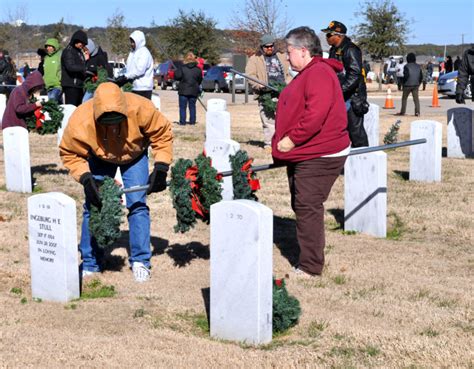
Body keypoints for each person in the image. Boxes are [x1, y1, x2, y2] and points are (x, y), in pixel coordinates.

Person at [59, 82, 173, 282]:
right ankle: (91, 262)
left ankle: (140, 261)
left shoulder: (140, 107)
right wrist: (86, 178)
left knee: (137, 204)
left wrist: (161, 166)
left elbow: (162, 133)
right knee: (93, 207)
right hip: (100, 158)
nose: (111, 126)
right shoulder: (81, 119)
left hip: (135, 156)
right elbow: (70, 152)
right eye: (106, 121)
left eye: (116, 120)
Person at [272, 26, 350, 278]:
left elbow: (315, 114)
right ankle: (309, 258)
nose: (286, 56)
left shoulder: (318, 74)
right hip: (306, 151)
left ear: (303, 51)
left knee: (307, 205)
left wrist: (292, 140)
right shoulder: (310, 72)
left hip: (319, 152)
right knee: (302, 203)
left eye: (289, 51)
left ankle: (310, 266)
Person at [322, 20, 369, 147]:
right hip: (340, 96)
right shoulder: (333, 50)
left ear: (338, 35)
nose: (326, 37)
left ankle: (364, 159)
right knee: (340, 132)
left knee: (356, 133)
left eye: (328, 35)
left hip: (352, 98)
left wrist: (339, 90)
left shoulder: (351, 50)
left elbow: (355, 75)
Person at [245, 34, 291, 152]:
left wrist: (289, 84)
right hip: (265, 93)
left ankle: (284, 142)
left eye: (271, 46)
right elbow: (250, 75)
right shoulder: (254, 59)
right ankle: (269, 144)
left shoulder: (282, 56)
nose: (269, 48)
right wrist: (258, 85)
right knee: (268, 120)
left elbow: (289, 72)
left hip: (282, 92)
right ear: (262, 47)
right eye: (267, 47)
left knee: (285, 119)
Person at [115, 30, 154, 100]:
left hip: (143, 88)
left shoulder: (144, 52)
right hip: (135, 87)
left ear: (139, 41)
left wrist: (126, 77)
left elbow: (139, 70)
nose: (131, 44)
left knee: (143, 110)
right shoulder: (132, 53)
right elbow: (129, 69)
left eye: (133, 42)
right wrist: (122, 78)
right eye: (131, 42)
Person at [61, 29, 88, 106]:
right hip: (71, 85)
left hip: (78, 84)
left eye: (83, 44)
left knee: (78, 108)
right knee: (71, 108)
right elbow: (70, 67)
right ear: (75, 40)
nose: (82, 45)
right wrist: (84, 68)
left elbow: (81, 64)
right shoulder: (68, 51)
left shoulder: (79, 52)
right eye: (80, 43)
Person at [174, 51, 202, 125]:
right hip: (194, 90)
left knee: (183, 107)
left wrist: (176, 71)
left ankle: (182, 122)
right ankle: (192, 122)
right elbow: (200, 80)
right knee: (192, 107)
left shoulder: (182, 68)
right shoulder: (198, 69)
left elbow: (177, 77)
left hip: (183, 90)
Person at [82, 38, 113, 102]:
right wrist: (85, 61)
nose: (85, 52)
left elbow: (103, 72)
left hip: (98, 84)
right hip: (90, 84)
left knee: (85, 101)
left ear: (90, 48)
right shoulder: (88, 57)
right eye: (84, 50)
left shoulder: (99, 57)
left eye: (86, 50)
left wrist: (96, 78)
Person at [43, 38, 63, 104]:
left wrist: (60, 78)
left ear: (54, 46)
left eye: (50, 46)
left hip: (57, 85)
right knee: (58, 106)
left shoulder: (59, 56)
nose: (48, 48)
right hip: (48, 86)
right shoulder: (46, 58)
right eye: (47, 46)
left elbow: (62, 68)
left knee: (52, 103)